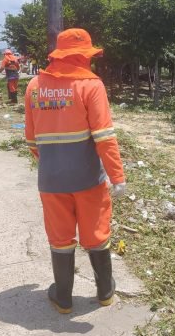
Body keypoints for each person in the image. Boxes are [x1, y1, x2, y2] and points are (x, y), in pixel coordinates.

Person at [24, 28, 126, 314]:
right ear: (83, 55)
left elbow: (31, 140)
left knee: (60, 237)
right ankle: (105, 292)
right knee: (95, 232)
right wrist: (116, 176)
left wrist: (52, 163)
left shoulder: (34, 86)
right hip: (87, 179)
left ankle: (63, 298)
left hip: (51, 179)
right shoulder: (91, 85)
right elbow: (104, 137)